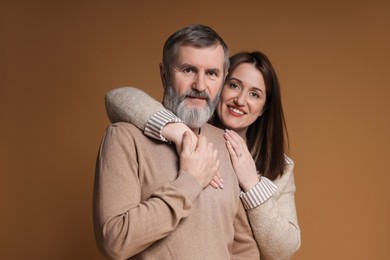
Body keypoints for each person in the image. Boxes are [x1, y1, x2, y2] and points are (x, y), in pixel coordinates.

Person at [106, 51, 301, 259]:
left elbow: (283, 250)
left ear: (263, 108)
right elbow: (117, 97)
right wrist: (182, 134)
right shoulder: (185, 123)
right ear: (218, 86)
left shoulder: (280, 166)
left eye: (255, 94)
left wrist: (252, 184)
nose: (240, 100)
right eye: (234, 85)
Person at [93, 24, 260, 259]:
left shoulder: (226, 144)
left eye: (211, 73)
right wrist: (189, 182)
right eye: (188, 70)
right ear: (164, 73)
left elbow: (243, 247)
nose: (200, 86)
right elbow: (115, 240)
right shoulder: (124, 138)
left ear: (222, 79)